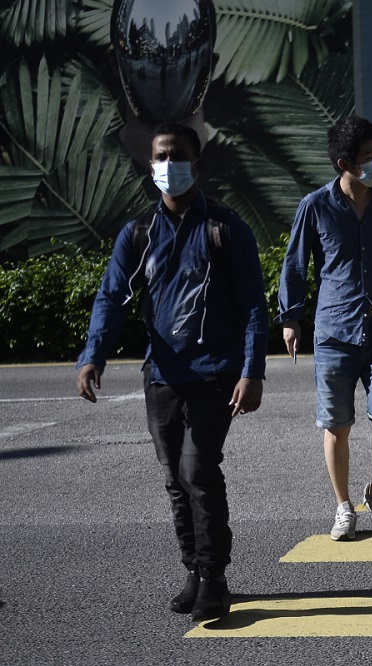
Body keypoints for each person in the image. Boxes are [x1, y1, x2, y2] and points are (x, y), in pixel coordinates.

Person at [76, 122, 269, 622]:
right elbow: (112, 296)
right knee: (174, 479)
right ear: (150, 165)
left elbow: (252, 305)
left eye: (178, 156)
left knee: (198, 470)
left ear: (197, 164)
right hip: (162, 373)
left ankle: (215, 577)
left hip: (215, 373)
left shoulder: (225, 228)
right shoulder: (138, 233)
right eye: (160, 156)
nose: (168, 165)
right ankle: (192, 568)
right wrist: (92, 354)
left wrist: (252, 371)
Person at [277, 115, 372, 541]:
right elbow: (295, 264)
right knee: (336, 425)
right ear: (344, 163)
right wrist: (291, 318)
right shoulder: (316, 205)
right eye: (367, 157)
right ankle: (343, 506)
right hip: (333, 334)